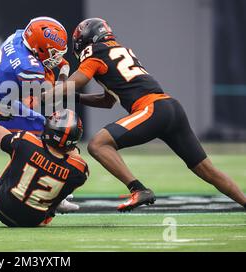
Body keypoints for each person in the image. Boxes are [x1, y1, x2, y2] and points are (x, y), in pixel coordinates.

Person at [47, 18, 246, 212]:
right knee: (207, 171)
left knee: (97, 144)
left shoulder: (94, 52)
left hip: (152, 109)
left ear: (85, 41)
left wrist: (42, 92)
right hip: (171, 107)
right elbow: (108, 101)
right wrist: (77, 98)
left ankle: (138, 189)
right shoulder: (118, 50)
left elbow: (73, 83)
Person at [0, 17, 70, 146]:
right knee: (51, 133)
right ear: (40, 47)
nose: (57, 58)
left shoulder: (17, 37)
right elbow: (52, 97)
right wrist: (64, 70)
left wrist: (62, 64)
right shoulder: (29, 68)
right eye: (54, 53)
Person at [0, 109, 89, 227]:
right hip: (35, 222)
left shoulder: (25, 141)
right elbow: (71, 154)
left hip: (1, 207)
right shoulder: (80, 170)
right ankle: (58, 202)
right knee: (64, 176)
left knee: (17, 154)